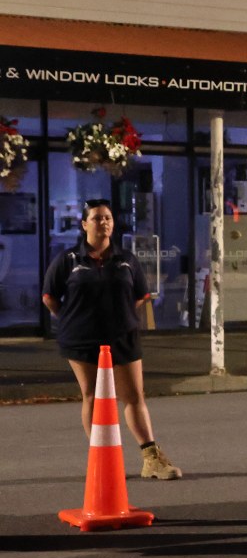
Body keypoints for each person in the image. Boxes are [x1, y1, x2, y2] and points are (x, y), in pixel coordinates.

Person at [40, 198, 181, 480]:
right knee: (93, 396)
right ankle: (103, 461)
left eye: (107, 218)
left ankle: (151, 459)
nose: (103, 222)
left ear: (113, 223)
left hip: (122, 338)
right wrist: (72, 320)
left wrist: (121, 320)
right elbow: (49, 297)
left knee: (134, 396)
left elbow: (140, 298)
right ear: (84, 224)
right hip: (81, 340)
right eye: (96, 218)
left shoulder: (126, 260)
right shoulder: (68, 260)